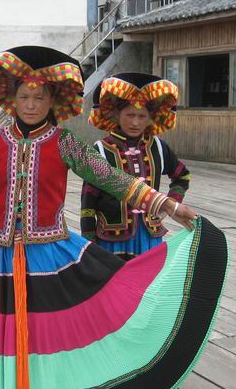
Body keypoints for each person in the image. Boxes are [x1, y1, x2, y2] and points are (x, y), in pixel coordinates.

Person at [0, 46, 228, 389]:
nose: (31, 104)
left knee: (46, 339)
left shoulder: (64, 142)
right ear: (11, 98)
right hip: (5, 258)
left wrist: (168, 205)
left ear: (54, 101)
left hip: (50, 256)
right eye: (24, 96)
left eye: (39, 97)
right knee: (10, 334)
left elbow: (111, 179)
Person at [81, 72, 191, 260]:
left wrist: (170, 203)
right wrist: (89, 241)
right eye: (130, 115)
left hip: (149, 236)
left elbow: (182, 176)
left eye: (142, 116)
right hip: (111, 239)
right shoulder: (100, 150)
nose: (135, 122)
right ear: (117, 114)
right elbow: (88, 201)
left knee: (148, 278)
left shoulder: (157, 147)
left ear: (150, 118)